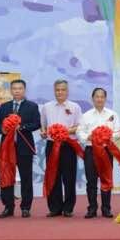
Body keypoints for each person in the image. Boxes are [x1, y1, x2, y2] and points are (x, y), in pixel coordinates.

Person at [0, 79, 41, 218]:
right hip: (7, 148)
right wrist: (2, 129)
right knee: (6, 176)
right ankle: (8, 207)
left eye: (20, 88)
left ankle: (26, 207)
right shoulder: (4, 106)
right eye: (14, 88)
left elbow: (36, 124)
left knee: (26, 177)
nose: (17, 91)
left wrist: (22, 127)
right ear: (11, 90)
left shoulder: (32, 106)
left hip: (24, 147)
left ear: (24, 90)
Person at [40, 79, 81, 217]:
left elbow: (79, 126)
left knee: (69, 177)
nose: (60, 92)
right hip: (52, 145)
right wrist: (44, 132)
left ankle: (68, 208)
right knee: (53, 176)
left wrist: (65, 131)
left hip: (68, 145)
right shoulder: (46, 107)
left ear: (67, 91)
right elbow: (43, 125)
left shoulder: (75, 107)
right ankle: (55, 208)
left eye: (63, 89)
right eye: (57, 90)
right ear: (54, 91)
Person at [79, 87, 120, 219]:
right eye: (97, 96)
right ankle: (92, 208)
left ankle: (106, 208)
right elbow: (80, 131)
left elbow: (118, 131)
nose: (99, 99)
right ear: (92, 99)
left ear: (105, 99)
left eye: (102, 97)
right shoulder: (85, 115)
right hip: (91, 150)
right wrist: (87, 137)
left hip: (106, 150)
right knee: (91, 181)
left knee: (106, 180)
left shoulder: (112, 114)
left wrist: (109, 138)